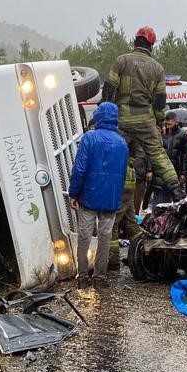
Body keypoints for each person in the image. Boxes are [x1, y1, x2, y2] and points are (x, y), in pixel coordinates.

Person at [101, 26, 183, 202]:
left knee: (119, 158)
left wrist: (106, 113)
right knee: (158, 155)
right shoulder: (158, 69)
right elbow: (160, 101)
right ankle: (177, 191)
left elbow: (109, 89)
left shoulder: (121, 61)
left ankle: (116, 198)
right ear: (151, 46)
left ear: (135, 41)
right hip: (145, 121)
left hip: (121, 120)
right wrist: (159, 122)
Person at [68, 101, 129, 288]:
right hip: (110, 198)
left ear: (99, 116)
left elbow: (79, 169)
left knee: (85, 237)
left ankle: (83, 276)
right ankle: (101, 277)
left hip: (89, 196)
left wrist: (73, 193)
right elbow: (123, 174)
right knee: (105, 237)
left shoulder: (89, 138)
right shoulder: (122, 142)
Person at [151, 110, 187, 206]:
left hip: (174, 171)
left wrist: (183, 174)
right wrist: (150, 169)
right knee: (158, 197)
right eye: (167, 120)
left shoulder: (183, 135)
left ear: (176, 122)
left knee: (171, 199)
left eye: (171, 121)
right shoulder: (161, 133)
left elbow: (185, 156)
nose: (168, 123)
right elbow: (153, 152)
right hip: (159, 171)